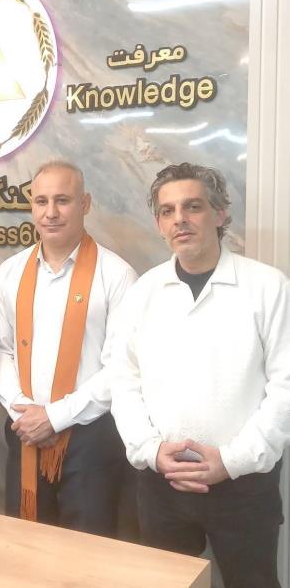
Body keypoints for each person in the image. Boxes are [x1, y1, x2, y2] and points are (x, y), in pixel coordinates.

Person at [111, 162, 290, 587]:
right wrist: (151, 450)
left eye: (193, 206)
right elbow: (123, 382)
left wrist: (231, 461)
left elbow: (286, 387)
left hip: (244, 486)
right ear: (159, 224)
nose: (180, 219)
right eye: (168, 211)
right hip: (162, 484)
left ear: (220, 213)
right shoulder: (142, 294)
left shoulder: (267, 287)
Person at [0, 160, 137, 536]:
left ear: (85, 203)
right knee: (26, 547)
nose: (50, 212)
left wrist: (54, 418)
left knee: (86, 554)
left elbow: (121, 367)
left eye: (63, 200)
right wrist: (23, 411)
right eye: (41, 201)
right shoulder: (10, 273)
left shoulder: (117, 275)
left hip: (91, 441)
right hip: (24, 432)